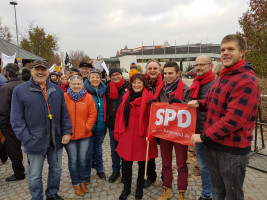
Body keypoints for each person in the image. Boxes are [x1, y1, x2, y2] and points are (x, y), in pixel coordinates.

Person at [189, 34, 260, 200]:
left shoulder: (246, 80)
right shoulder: (223, 76)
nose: (225, 53)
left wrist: (203, 136)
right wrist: (199, 103)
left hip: (232, 152)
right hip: (214, 146)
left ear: (242, 52)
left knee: (232, 195)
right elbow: (212, 101)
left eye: (231, 49)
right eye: (222, 50)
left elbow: (233, 120)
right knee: (218, 193)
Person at [10, 60, 72, 200]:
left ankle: (52, 193)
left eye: (43, 70)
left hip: (55, 138)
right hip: (34, 139)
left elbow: (64, 113)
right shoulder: (20, 91)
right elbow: (16, 119)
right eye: (37, 69)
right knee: (34, 174)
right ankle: (36, 197)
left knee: (56, 169)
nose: (40, 72)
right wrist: (26, 139)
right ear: (32, 72)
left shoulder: (56, 90)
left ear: (47, 72)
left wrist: (67, 131)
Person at [114, 73, 158, 200]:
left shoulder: (150, 97)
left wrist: (151, 134)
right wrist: (118, 131)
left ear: (144, 84)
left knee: (142, 164)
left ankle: (139, 187)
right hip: (127, 135)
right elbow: (119, 114)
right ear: (131, 84)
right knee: (126, 164)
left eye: (139, 82)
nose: (136, 85)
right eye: (134, 82)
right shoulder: (126, 96)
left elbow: (153, 118)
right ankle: (126, 188)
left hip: (142, 136)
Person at [153, 61, 191, 200]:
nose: (167, 76)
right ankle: (167, 188)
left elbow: (191, 109)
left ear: (178, 73)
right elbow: (156, 107)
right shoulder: (160, 89)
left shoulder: (186, 89)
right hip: (165, 132)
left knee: (181, 163)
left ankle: (182, 191)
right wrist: (152, 103)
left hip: (180, 132)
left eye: (170, 73)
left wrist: (182, 104)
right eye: (165, 73)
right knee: (166, 162)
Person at [64, 75, 97, 196]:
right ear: (70, 85)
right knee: (73, 160)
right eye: (74, 84)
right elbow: (62, 114)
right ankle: (76, 183)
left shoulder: (88, 98)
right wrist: (65, 130)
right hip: (70, 134)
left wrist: (87, 127)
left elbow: (93, 113)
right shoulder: (65, 97)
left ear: (82, 85)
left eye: (78, 84)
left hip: (85, 134)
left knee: (83, 159)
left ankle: (82, 180)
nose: (76, 86)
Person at [189, 55, 215, 200]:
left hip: (211, 133)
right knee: (204, 167)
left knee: (213, 168)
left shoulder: (216, 83)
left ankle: (213, 194)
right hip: (197, 132)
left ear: (211, 66)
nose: (198, 67)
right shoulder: (196, 83)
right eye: (196, 65)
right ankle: (206, 195)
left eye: (202, 65)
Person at [0, 63, 25, 181]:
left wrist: (3, 126)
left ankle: (19, 173)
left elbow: (3, 109)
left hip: (11, 123)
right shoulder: (24, 84)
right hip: (24, 120)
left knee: (13, 149)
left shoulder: (6, 88)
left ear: (8, 73)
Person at [105, 67, 129, 183]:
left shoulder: (129, 86)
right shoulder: (107, 88)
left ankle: (125, 173)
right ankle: (115, 171)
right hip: (112, 124)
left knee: (124, 149)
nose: (115, 76)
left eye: (117, 74)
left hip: (125, 124)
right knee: (114, 150)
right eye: (113, 75)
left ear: (121, 75)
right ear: (110, 76)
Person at [84, 69, 107, 182]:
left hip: (101, 126)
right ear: (89, 79)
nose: (95, 79)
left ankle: (100, 169)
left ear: (100, 79)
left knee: (98, 149)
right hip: (88, 127)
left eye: (97, 77)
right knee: (88, 151)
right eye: (93, 77)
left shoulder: (104, 91)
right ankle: (86, 173)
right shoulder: (84, 91)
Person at [143, 59, 163, 189]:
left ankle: (165, 177)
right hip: (148, 120)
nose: (152, 71)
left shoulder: (166, 82)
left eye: (155, 68)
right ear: (146, 70)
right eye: (150, 68)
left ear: (159, 70)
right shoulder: (143, 82)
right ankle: (151, 176)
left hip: (163, 122)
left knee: (166, 151)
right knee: (149, 151)